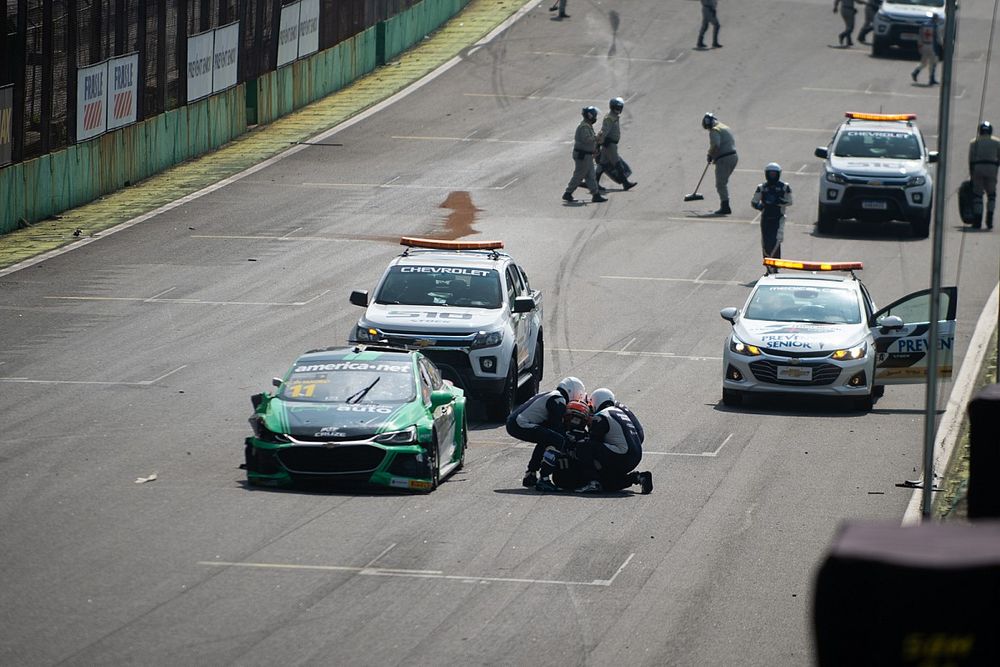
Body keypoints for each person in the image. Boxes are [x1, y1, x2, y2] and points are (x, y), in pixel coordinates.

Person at [507, 376, 586, 488]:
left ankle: (531, 474)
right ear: (574, 391)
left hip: (515, 422)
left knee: (546, 439)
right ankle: (544, 478)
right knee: (558, 440)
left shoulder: (550, 394)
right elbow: (557, 427)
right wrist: (571, 442)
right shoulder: (559, 399)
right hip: (520, 424)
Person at [573, 388, 652, 494]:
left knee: (583, 447)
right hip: (635, 455)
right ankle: (638, 477)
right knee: (607, 484)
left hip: (621, 455)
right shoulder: (620, 411)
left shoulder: (601, 416)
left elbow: (592, 441)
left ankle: (592, 482)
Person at [752, 163, 793, 273]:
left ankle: (775, 266)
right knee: (765, 243)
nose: (772, 176)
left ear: (778, 174)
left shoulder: (784, 187)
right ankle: (768, 267)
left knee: (776, 241)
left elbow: (790, 201)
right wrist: (761, 206)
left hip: (778, 218)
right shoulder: (762, 187)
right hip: (765, 219)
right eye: (770, 174)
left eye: (774, 174)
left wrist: (778, 201)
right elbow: (754, 201)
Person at [563, 107, 608, 204]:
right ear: (590, 116)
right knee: (579, 175)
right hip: (582, 156)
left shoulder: (587, 126)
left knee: (590, 176)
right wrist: (597, 137)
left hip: (586, 155)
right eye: (594, 116)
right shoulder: (584, 127)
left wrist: (594, 149)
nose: (595, 118)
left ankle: (595, 195)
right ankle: (568, 192)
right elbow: (587, 139)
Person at [596, 97, 638, 191]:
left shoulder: (613, 116)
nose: (619, 109)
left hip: (609, 144)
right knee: (617, 163)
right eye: (618, 107)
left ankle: (594, 183)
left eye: (620, 107)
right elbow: (604, 131)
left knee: (602, 164)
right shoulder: (610, 118)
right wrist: (599, 143)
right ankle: (625, 183)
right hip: (609, 144)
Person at [703, 112, 738, 215]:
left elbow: (716, 145)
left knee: (720, 184)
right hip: (733, 157)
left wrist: (710, 155)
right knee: (723, 182)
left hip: (724, 158)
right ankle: (725, 204)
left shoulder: (715, 130)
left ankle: (725, 206)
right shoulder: (724, 127)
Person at [969, 121, 1000, 230]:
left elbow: (971, 160)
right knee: (991, 195)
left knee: (978, 195)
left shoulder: (974, 142)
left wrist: (972, 174)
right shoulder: (997, 142)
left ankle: (977, 221)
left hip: (978, 168)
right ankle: (989, 219)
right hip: (992, 168)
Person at [911, 13, 941, 85]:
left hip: (924, 45)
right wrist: (941, 45)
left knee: (924, 63)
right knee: (933, 63)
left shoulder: (923, 25)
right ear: (935, 19)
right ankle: (932, 79)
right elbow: (938, 38)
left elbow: (920, 36)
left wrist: (920, 46)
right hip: (932, 46)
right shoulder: (935, 26)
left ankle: (915, 72)